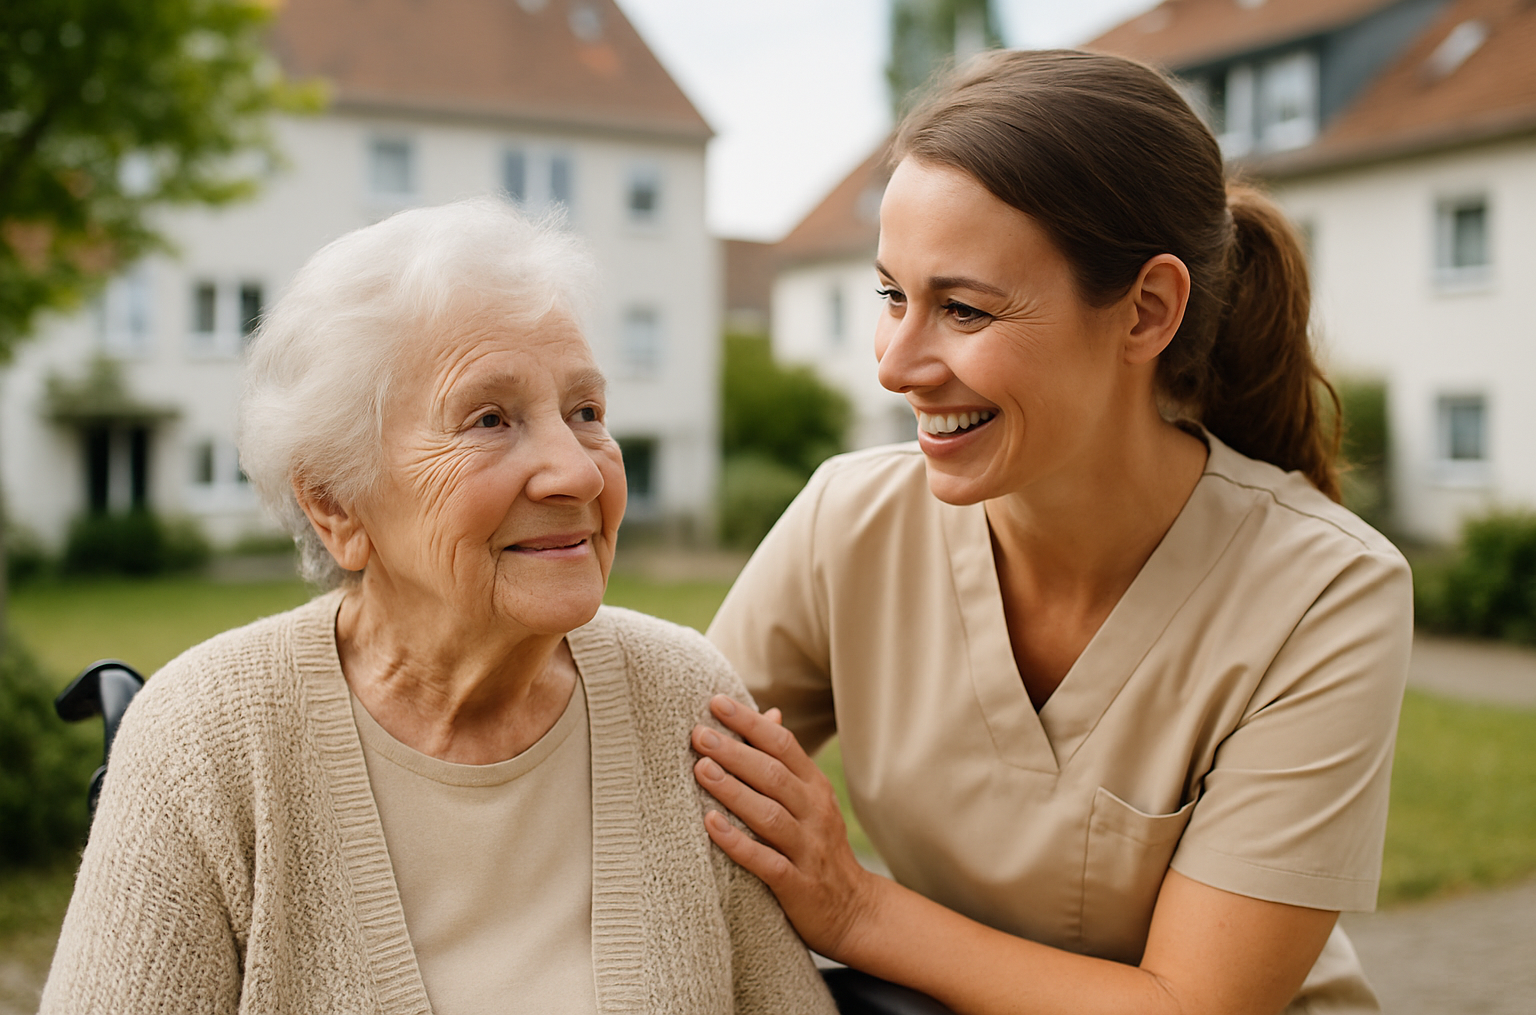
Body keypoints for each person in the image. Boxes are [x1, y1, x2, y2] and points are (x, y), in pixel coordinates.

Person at [693, 50, 1411, 1015]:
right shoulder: (848, 520)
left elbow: (1191, 1006)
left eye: (963, 308)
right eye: (891, 297)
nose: (896, 364)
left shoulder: (1327, 592)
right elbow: (657, 770)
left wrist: (856, 909)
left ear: (1146, 311)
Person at [41, 199, 837, 1015]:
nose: (577, 472)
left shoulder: (684, 700)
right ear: (337, 507)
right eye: (489, 420)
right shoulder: (204, 740)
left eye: (586, 413)